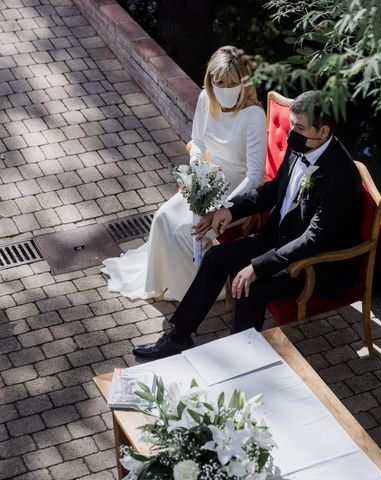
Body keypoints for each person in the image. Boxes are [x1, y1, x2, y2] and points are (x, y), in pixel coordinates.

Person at [133, 91, 363, 358]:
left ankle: (241, 357)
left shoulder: (340, 178)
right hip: (279, 236)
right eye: (290, 125)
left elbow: (313, 239)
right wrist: (231, 210)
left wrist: (258, 266)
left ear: (323, 131)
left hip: (314, 262)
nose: (291, 133)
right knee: (216, 258)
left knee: (251, 284)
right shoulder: (303, 144)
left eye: (299, 127)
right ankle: (179, 335)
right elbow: (274, 189)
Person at [102, 46, 266, 302]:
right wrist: (194, 173)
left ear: (243, 82)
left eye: (231, 83)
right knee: (162, 218)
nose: (224, 88)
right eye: (218, 81)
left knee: (185, 233)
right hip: (208, 177)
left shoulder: (253, 115)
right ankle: (164, 280)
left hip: (237, 187)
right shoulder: (205, 99)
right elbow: (197, 142)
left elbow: (255, 175)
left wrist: (226, 207)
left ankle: (196, 290)